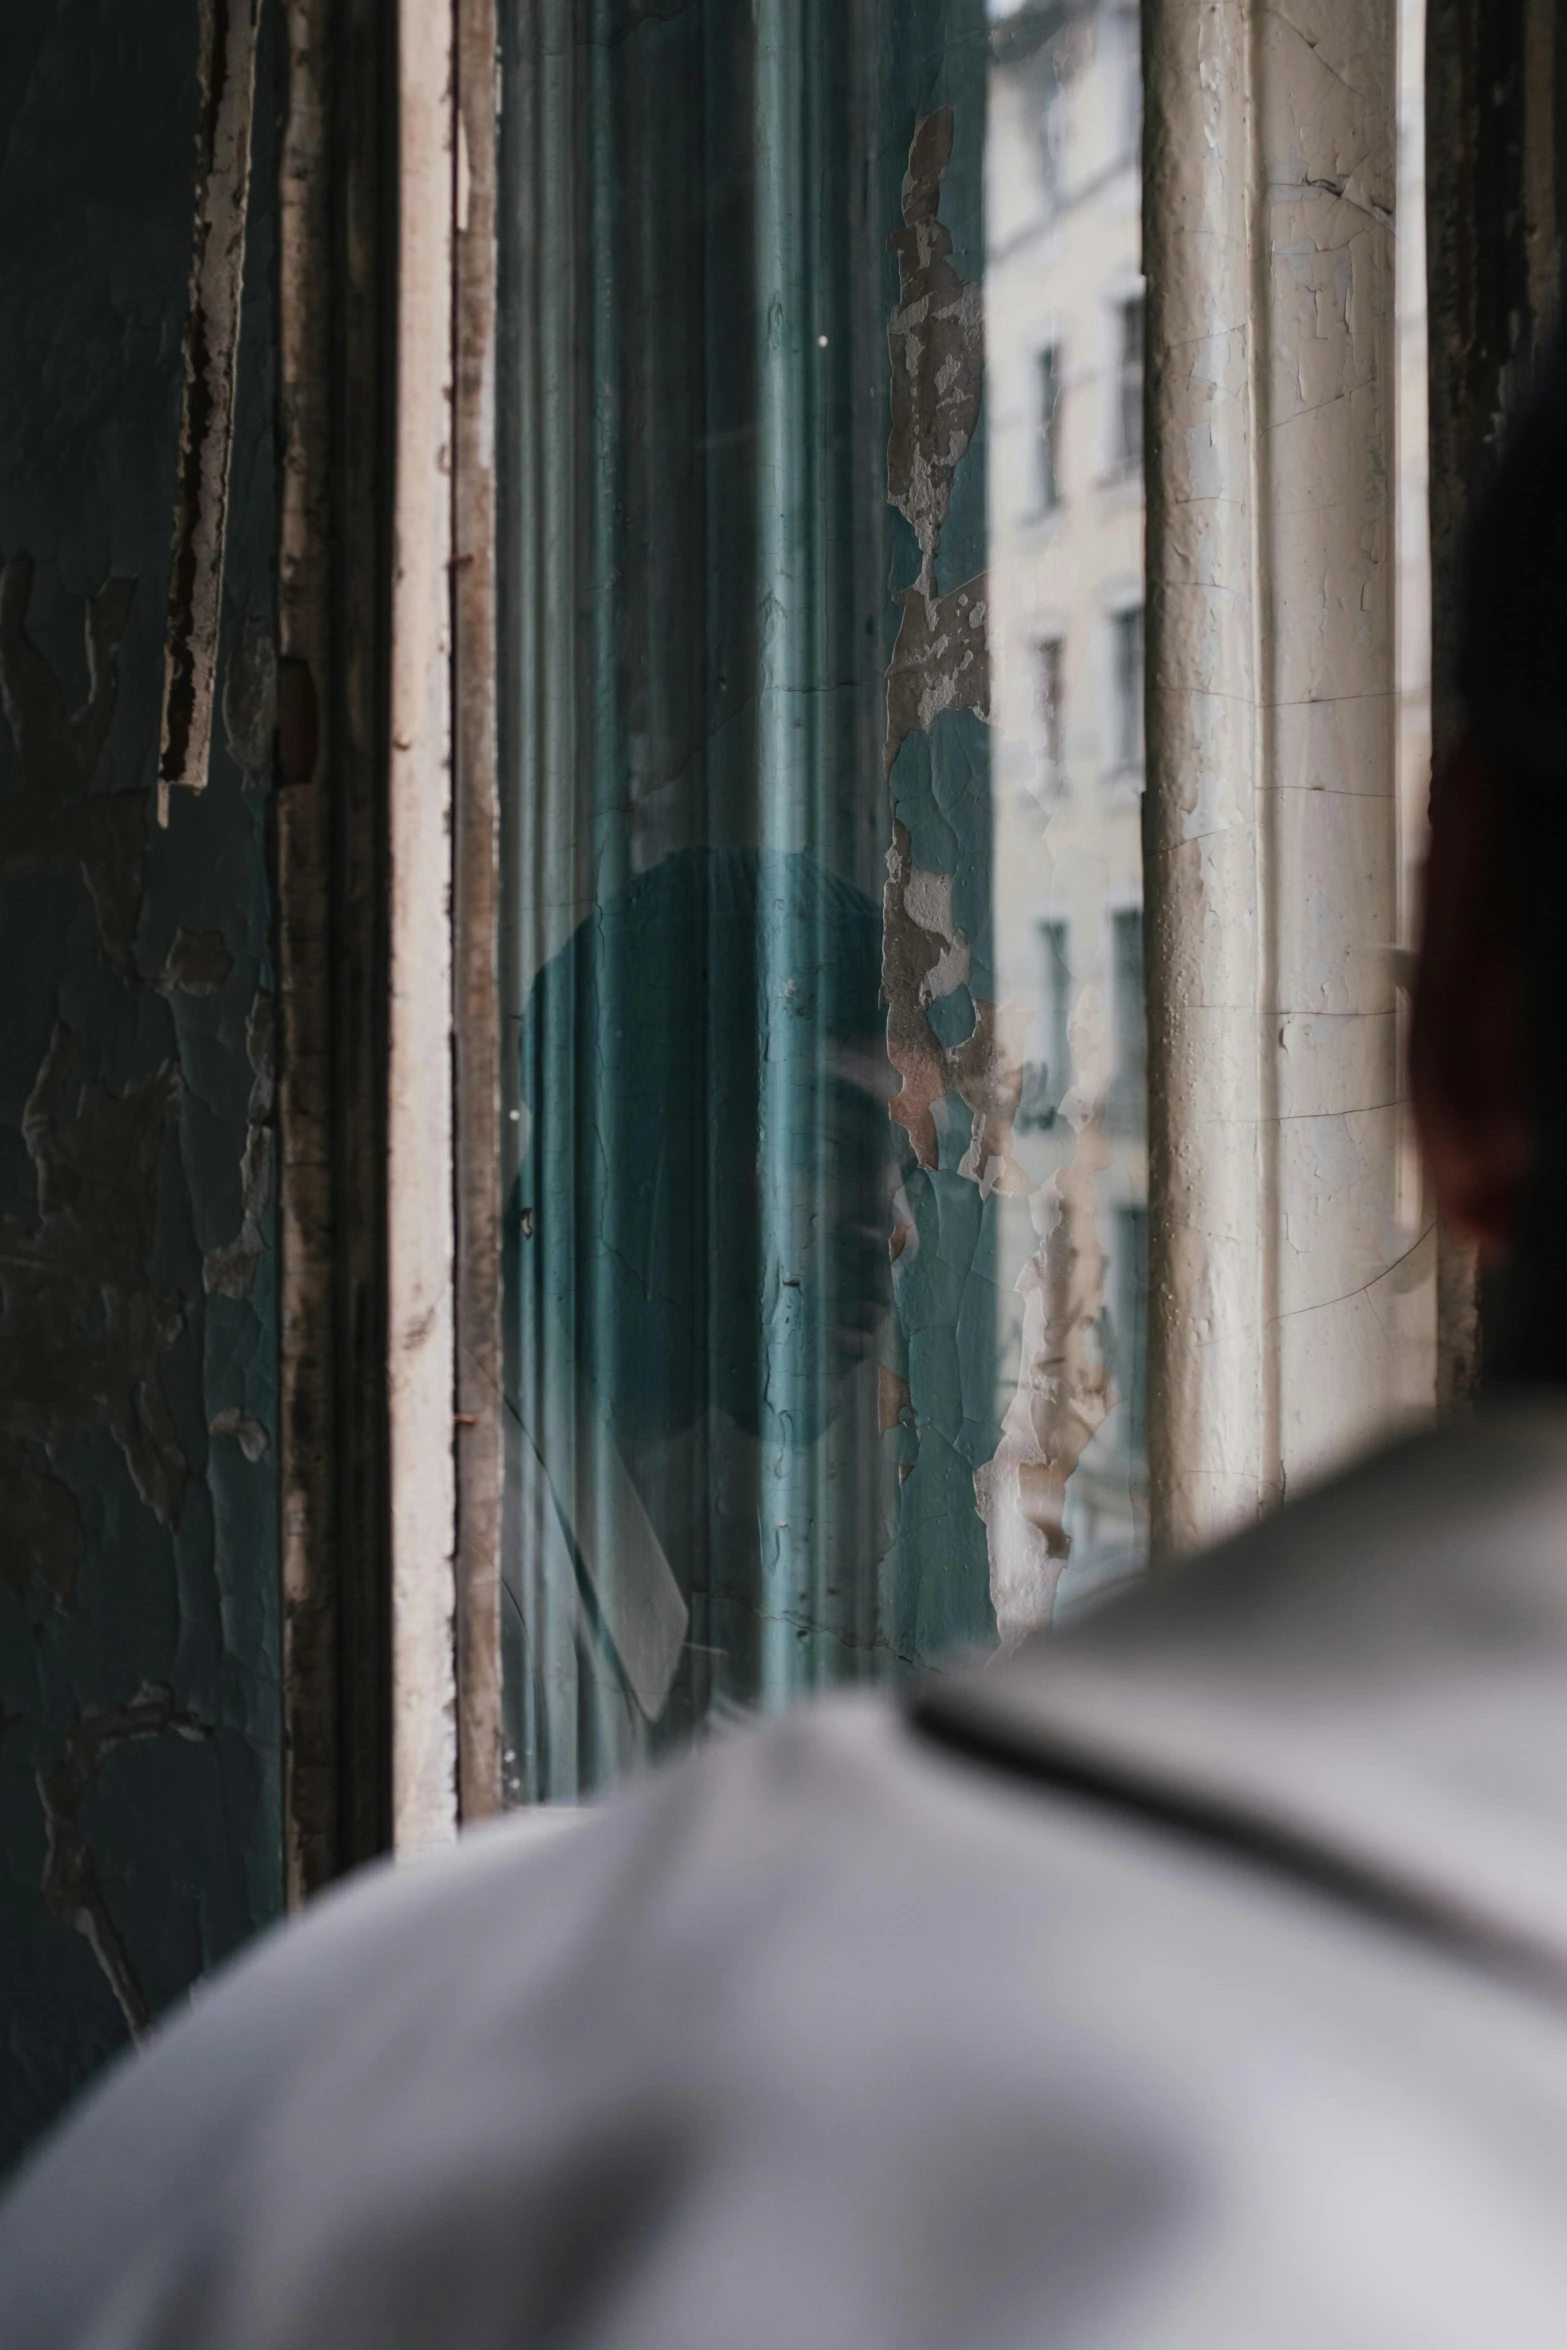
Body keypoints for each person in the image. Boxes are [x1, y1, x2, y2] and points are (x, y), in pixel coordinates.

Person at [9, 366, 1567, 2350]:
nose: (895, 1228)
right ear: (622, 1125)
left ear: (1466, 997)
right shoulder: (443, 1610)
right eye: (834, 1141)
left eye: (908, 1165)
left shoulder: (341, 2091)